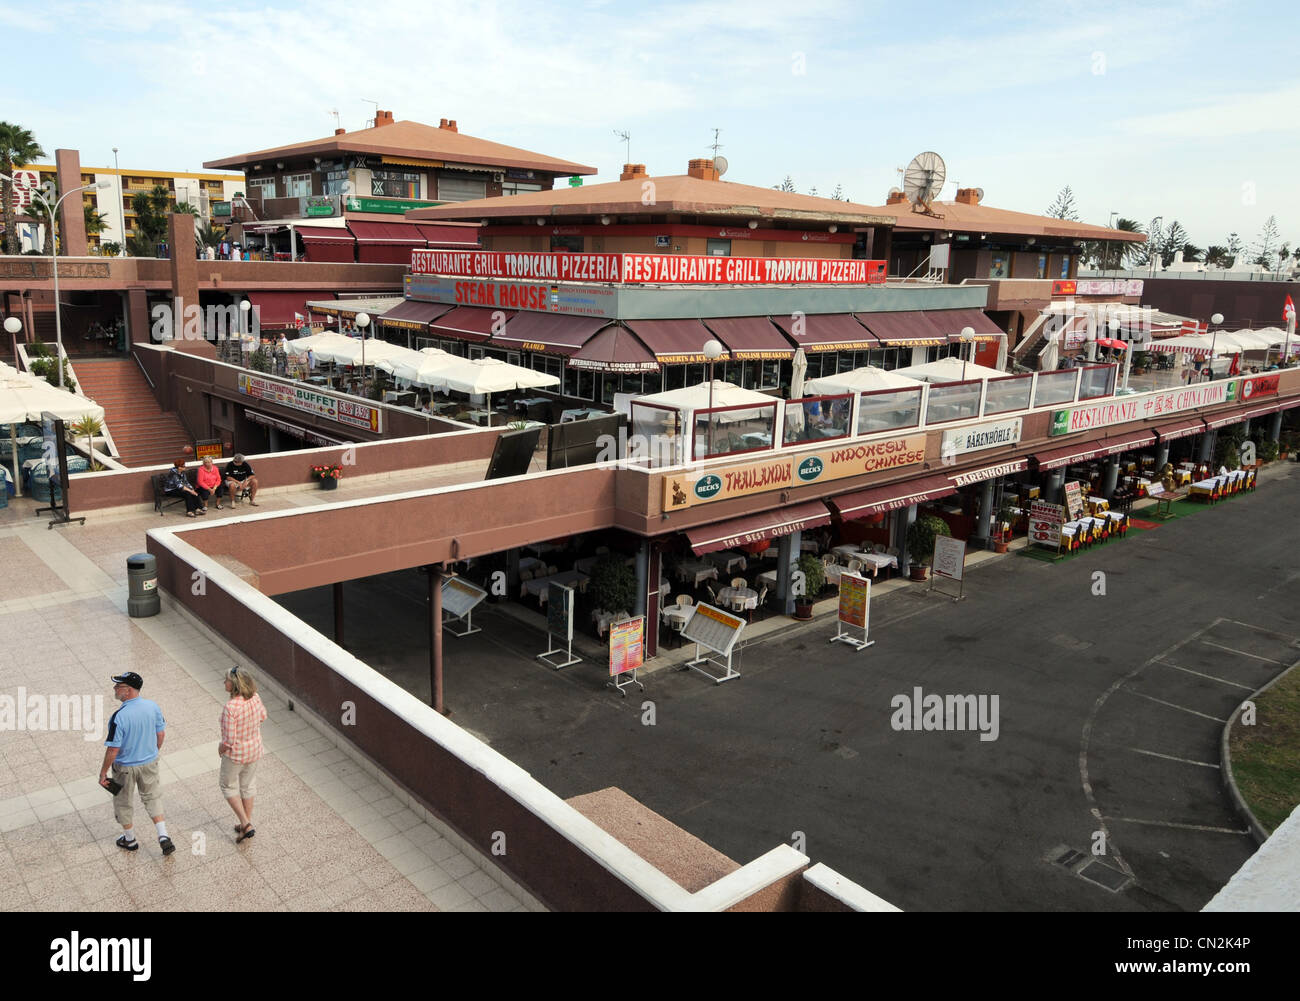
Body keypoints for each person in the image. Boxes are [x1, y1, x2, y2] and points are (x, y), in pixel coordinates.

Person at [99, 672, 175, 856]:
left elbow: (113, 750)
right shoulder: (152, 707)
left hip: (124, 768)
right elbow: (161, 734)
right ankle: (163, 835)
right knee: (152, 797)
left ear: (129, 690)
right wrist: (153, 753)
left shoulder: (119, 717)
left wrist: (103, 773)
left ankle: (130, 839)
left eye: (119, 686)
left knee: (123, 801)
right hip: (149, 763)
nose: (115, 689)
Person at [219, 665, 268, 843]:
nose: (224, 683)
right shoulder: (255, 697)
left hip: (236, 755)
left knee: (228, 786)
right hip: (254, 750)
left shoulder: (230, 707)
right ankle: (245, 823)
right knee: (248, 785)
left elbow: (229, 740)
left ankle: (246, 824)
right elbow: (263, 716)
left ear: (234, 685)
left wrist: (220, 748)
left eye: (226, 681)